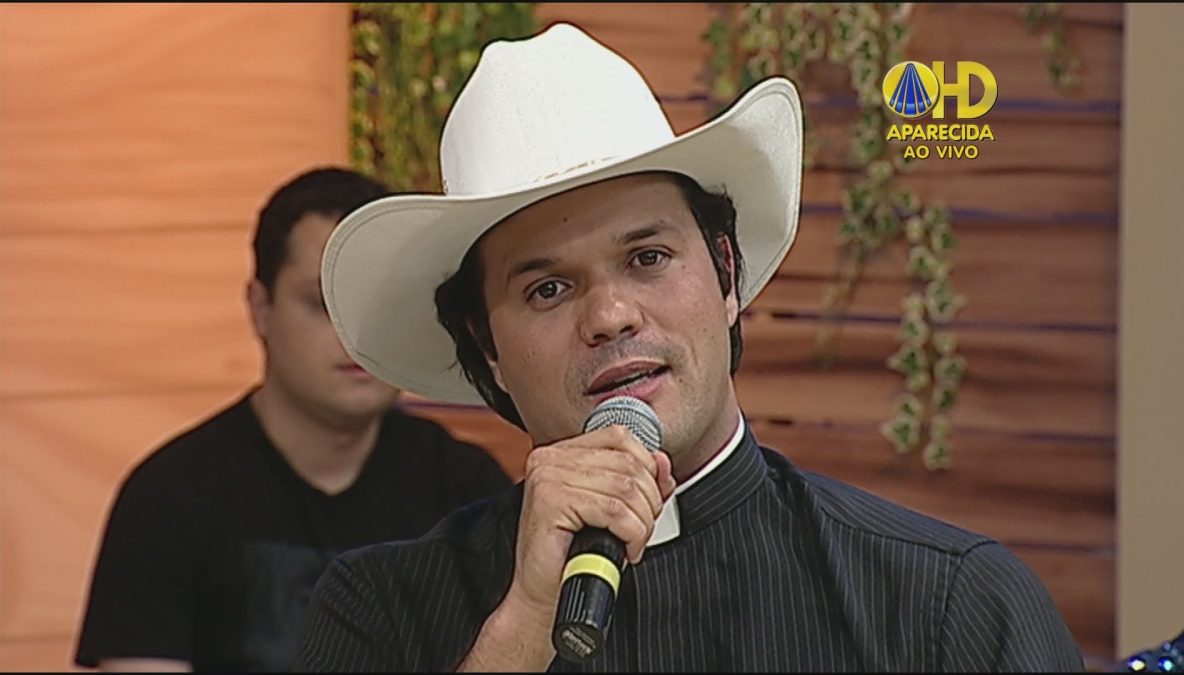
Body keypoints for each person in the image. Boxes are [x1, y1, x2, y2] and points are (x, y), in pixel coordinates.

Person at [296, 24, 1084, 672]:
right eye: (549, 288)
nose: (610, 316)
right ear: (486, 345)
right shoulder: (380, 612)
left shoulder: (947, 604)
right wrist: (526, 621)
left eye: (647, 257)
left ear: (727, 273)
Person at [74, 167, 513, 672]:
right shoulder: (168, 499)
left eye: (373, 308)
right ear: (261, 308)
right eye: (322, 305)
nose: (353, 338)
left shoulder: (467, 490)